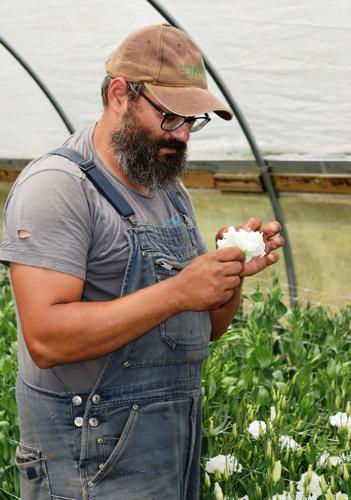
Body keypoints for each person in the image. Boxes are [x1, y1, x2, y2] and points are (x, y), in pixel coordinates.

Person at [0, 24, 283, 500]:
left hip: (167, 455)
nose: (182, 135)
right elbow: (46, 337)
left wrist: (227, 272)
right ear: (118, 94)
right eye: (170, 116)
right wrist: (178, 291)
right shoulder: (59, 187)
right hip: (88, 465)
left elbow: (203, 329)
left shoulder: (169, 191)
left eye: (194, 121)